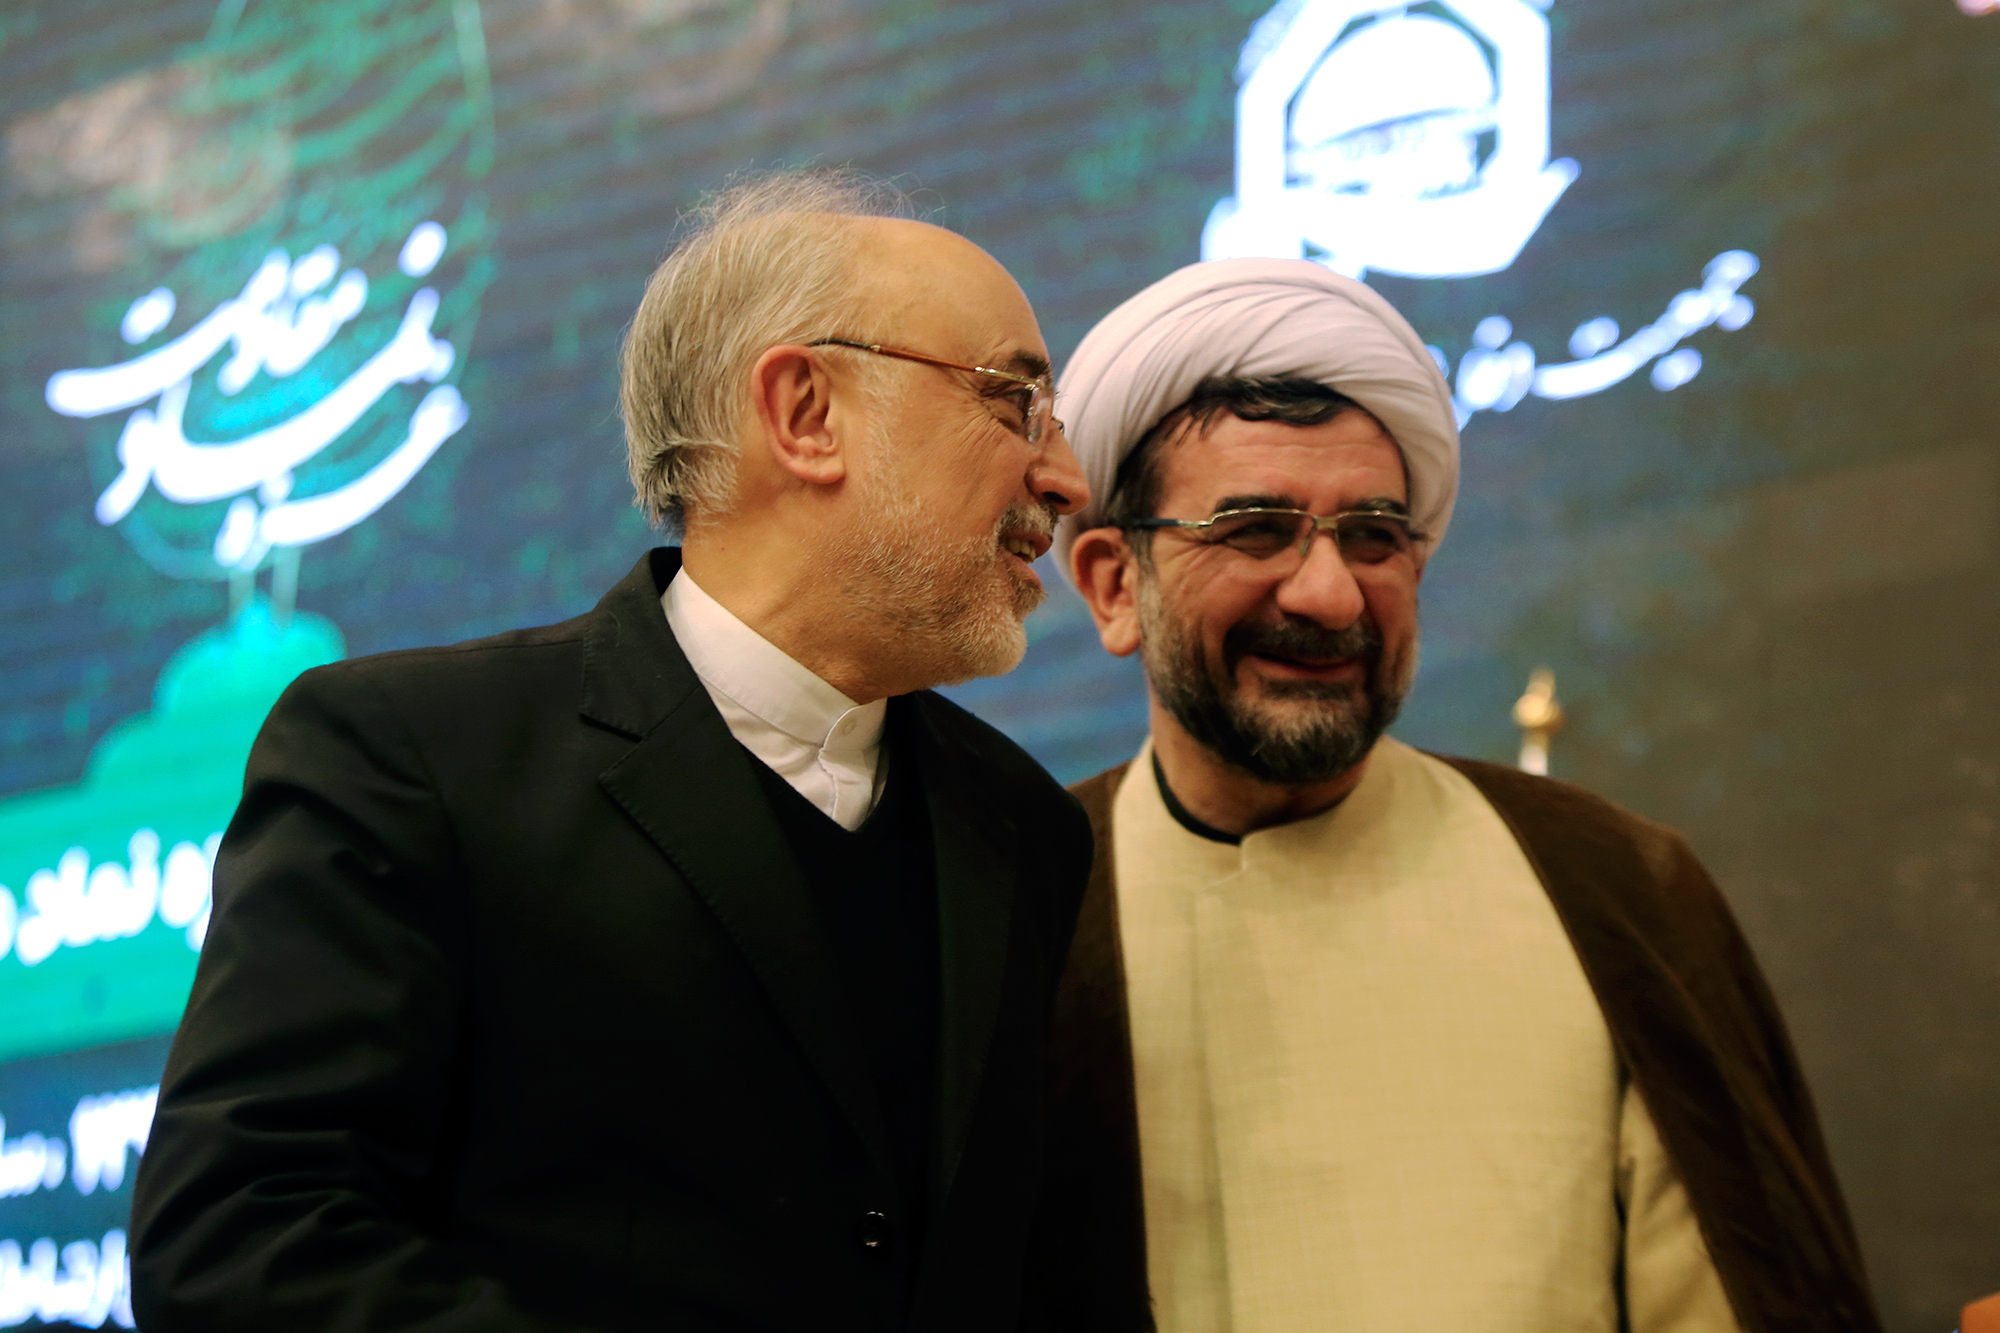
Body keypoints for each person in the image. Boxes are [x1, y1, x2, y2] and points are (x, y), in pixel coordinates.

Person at [128, 171, 1095, 1333]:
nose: (1066, 477)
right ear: (805, 413)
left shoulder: (1024, 828)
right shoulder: (414, 759)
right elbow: (241, 1239)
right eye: (1014, 402)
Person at [1030, 259, 1880, 1333]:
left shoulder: (1609, 884)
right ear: (1113, 583)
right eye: (1255, 530)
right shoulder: (1020, 904)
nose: (1330, 594)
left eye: (1373, 537)